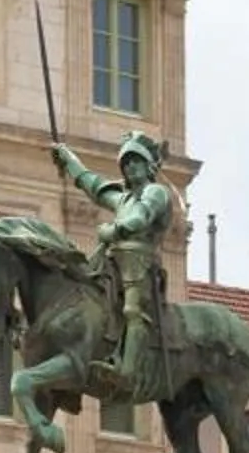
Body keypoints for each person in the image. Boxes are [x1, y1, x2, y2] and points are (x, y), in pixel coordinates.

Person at [49, 129, 175, 396]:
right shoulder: (123, 198)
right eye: (126, 163)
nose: (130, 166)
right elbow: (93, 185)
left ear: (148, 165)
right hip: (111, 258)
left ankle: (127, 373)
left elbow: (141, 217)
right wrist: (69, 159)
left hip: (139, 261)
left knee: (132, 309)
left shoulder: (156, 192)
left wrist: (114, 230)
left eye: (135, 161)